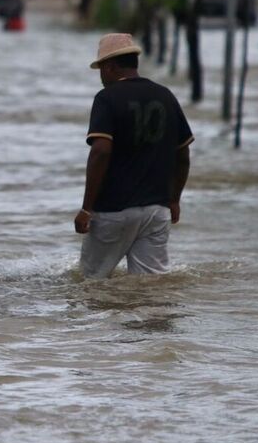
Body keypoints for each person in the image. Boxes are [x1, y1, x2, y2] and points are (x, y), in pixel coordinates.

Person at [74, 33, 194, 278]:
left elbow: (100, 151)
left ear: (109, 66)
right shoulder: (166, 96)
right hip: (156, 211)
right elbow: (183, 154)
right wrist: (174, 199)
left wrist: (86, 208)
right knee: (150, 288)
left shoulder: (106, 98)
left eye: (100, 69)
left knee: (90, 284)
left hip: (113, 210)